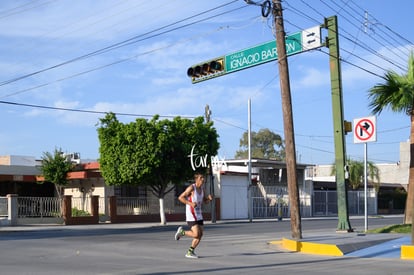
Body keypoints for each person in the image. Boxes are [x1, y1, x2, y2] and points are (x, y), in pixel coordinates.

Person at [174, 172, 213, 259]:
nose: (203, 179)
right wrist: (190, 203)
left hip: (199, 214)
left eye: (203, 178)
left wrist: (209, 199)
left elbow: (204, 202)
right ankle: (182, 232)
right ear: (196, 179)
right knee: (196, 234)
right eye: (201, 178)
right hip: (191, 214)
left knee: (200, 234)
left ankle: (190, 252)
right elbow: (180, 197)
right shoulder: (192, 188)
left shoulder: (203, 190)